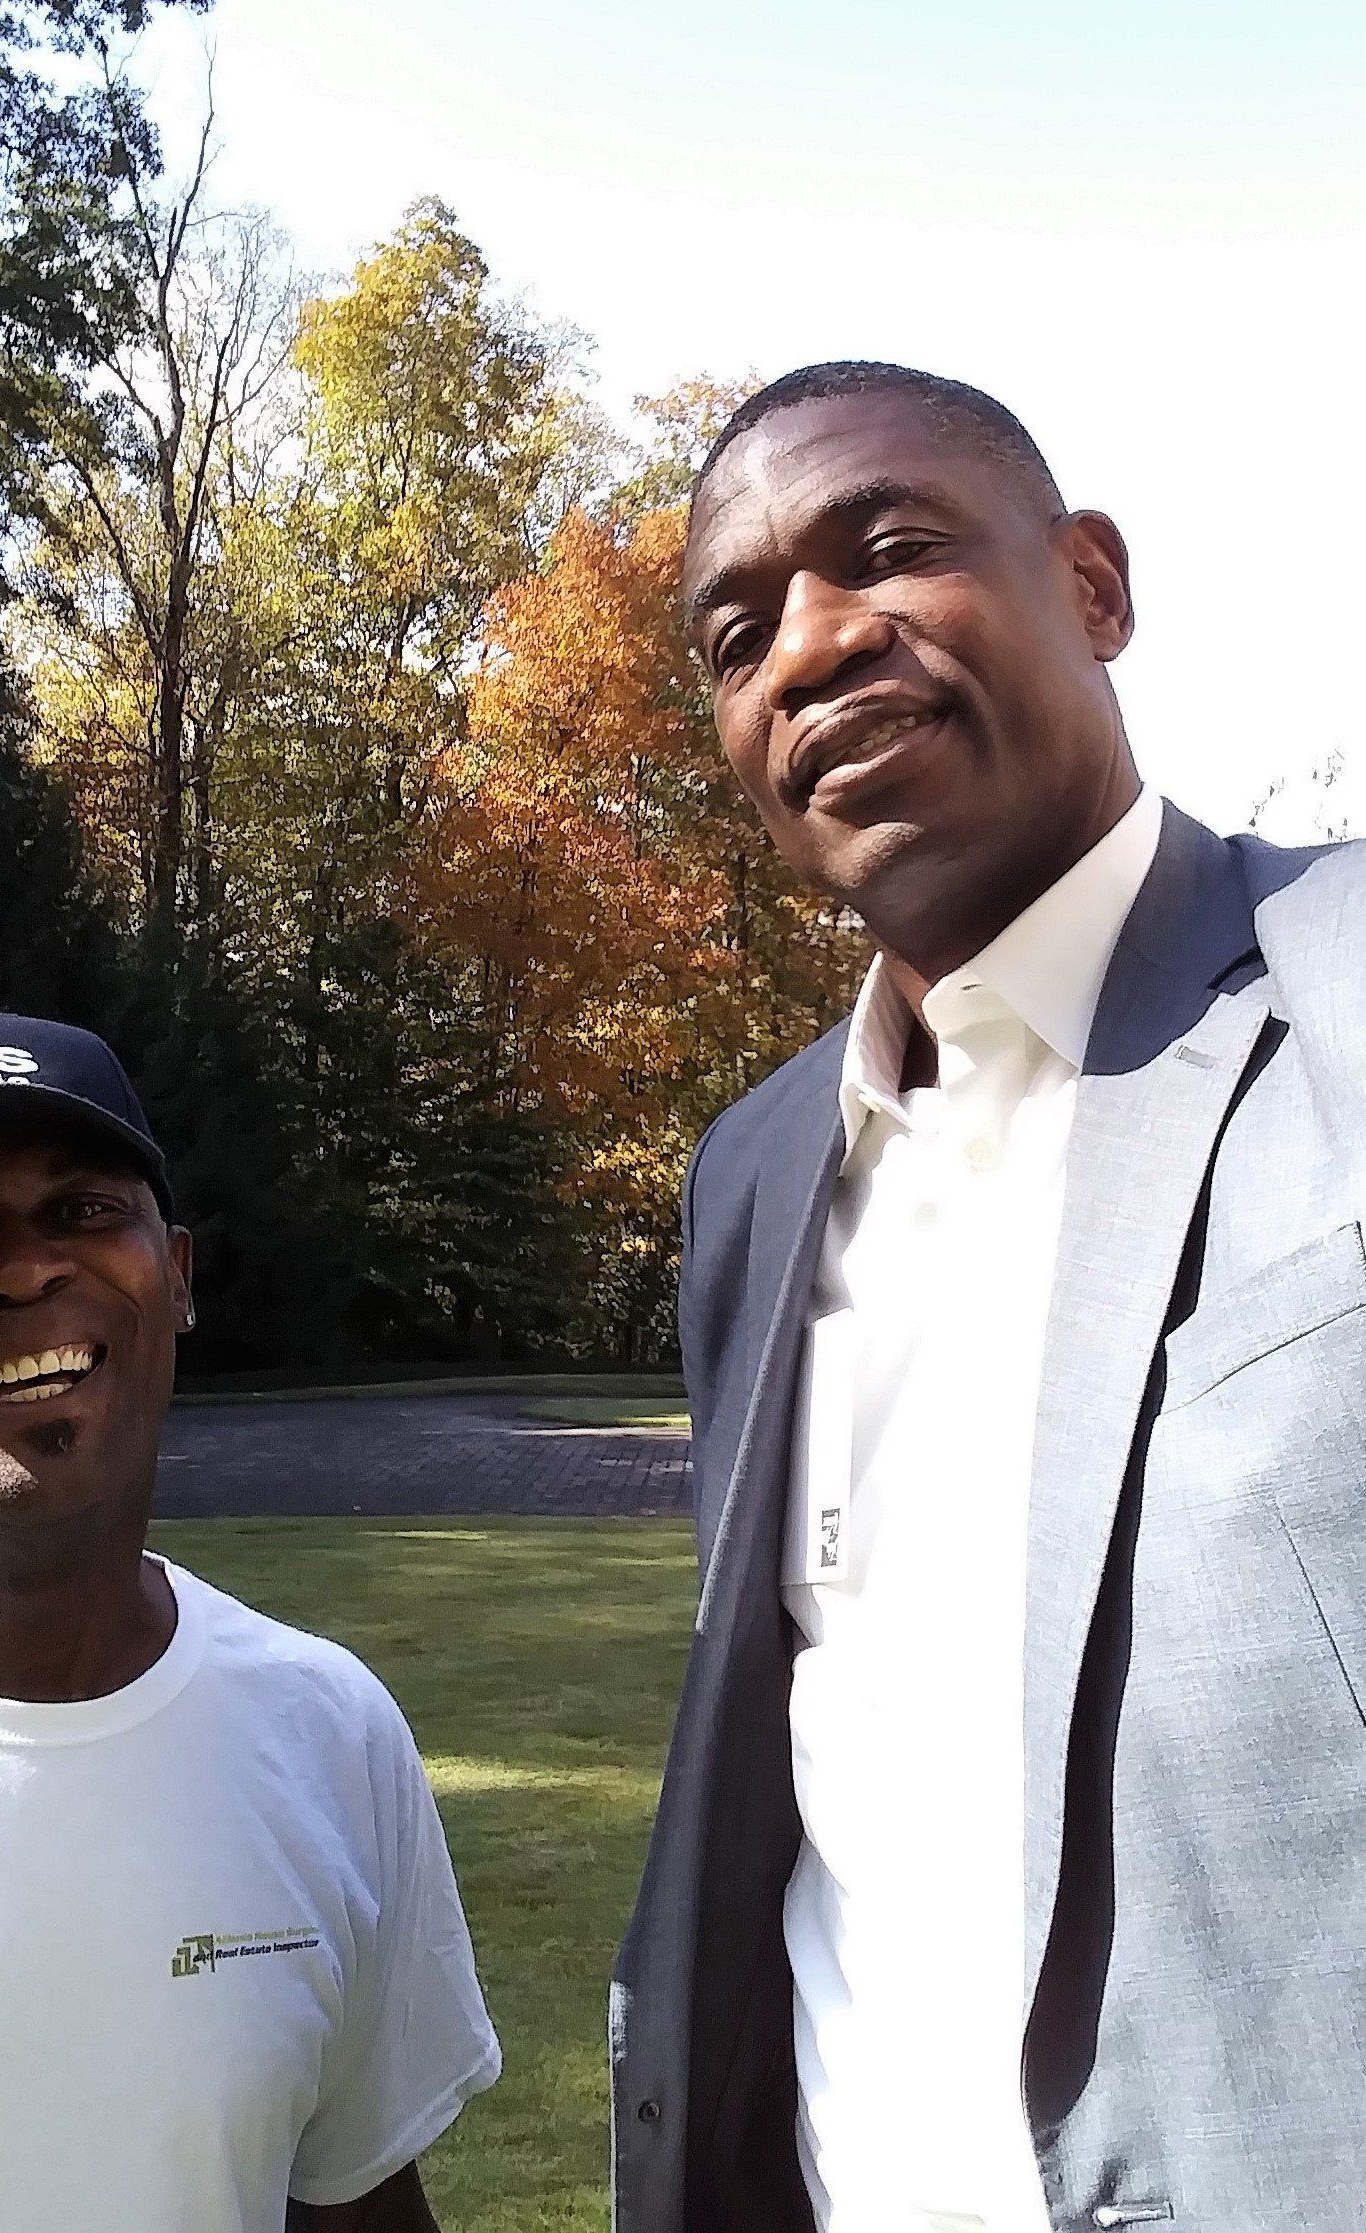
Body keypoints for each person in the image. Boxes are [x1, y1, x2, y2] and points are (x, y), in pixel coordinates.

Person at [611, 362, 1366, 2233]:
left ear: (1093, 586)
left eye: (894, 547)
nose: (812, 644)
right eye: (737, 633)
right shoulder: (757, 1171)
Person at [0, 1014, 500, 2232]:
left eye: (78, 1210)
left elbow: (357, 2204)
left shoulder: (328, 1734)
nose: (20, 1270)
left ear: (173, 1275)